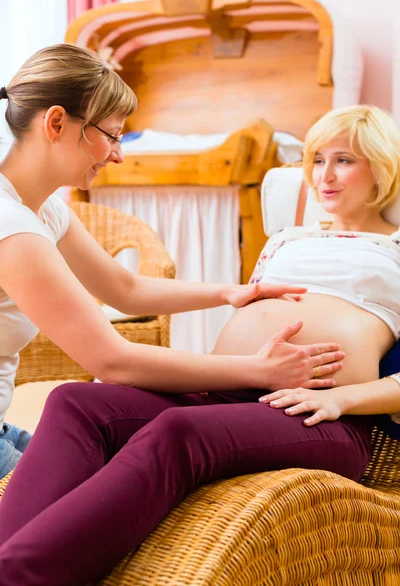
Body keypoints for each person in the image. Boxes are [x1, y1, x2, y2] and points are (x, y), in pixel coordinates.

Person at [0, 44, 398, 585]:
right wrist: (257, 365)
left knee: (176, 431)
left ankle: (20, 574)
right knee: (75, 399)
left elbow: (124, 286)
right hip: (236, 391)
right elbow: (114, 353)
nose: (119, 152)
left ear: (385, 166)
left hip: (321, 413)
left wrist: (339, 395)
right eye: (317, 160)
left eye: (344, 159)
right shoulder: (288, 239)